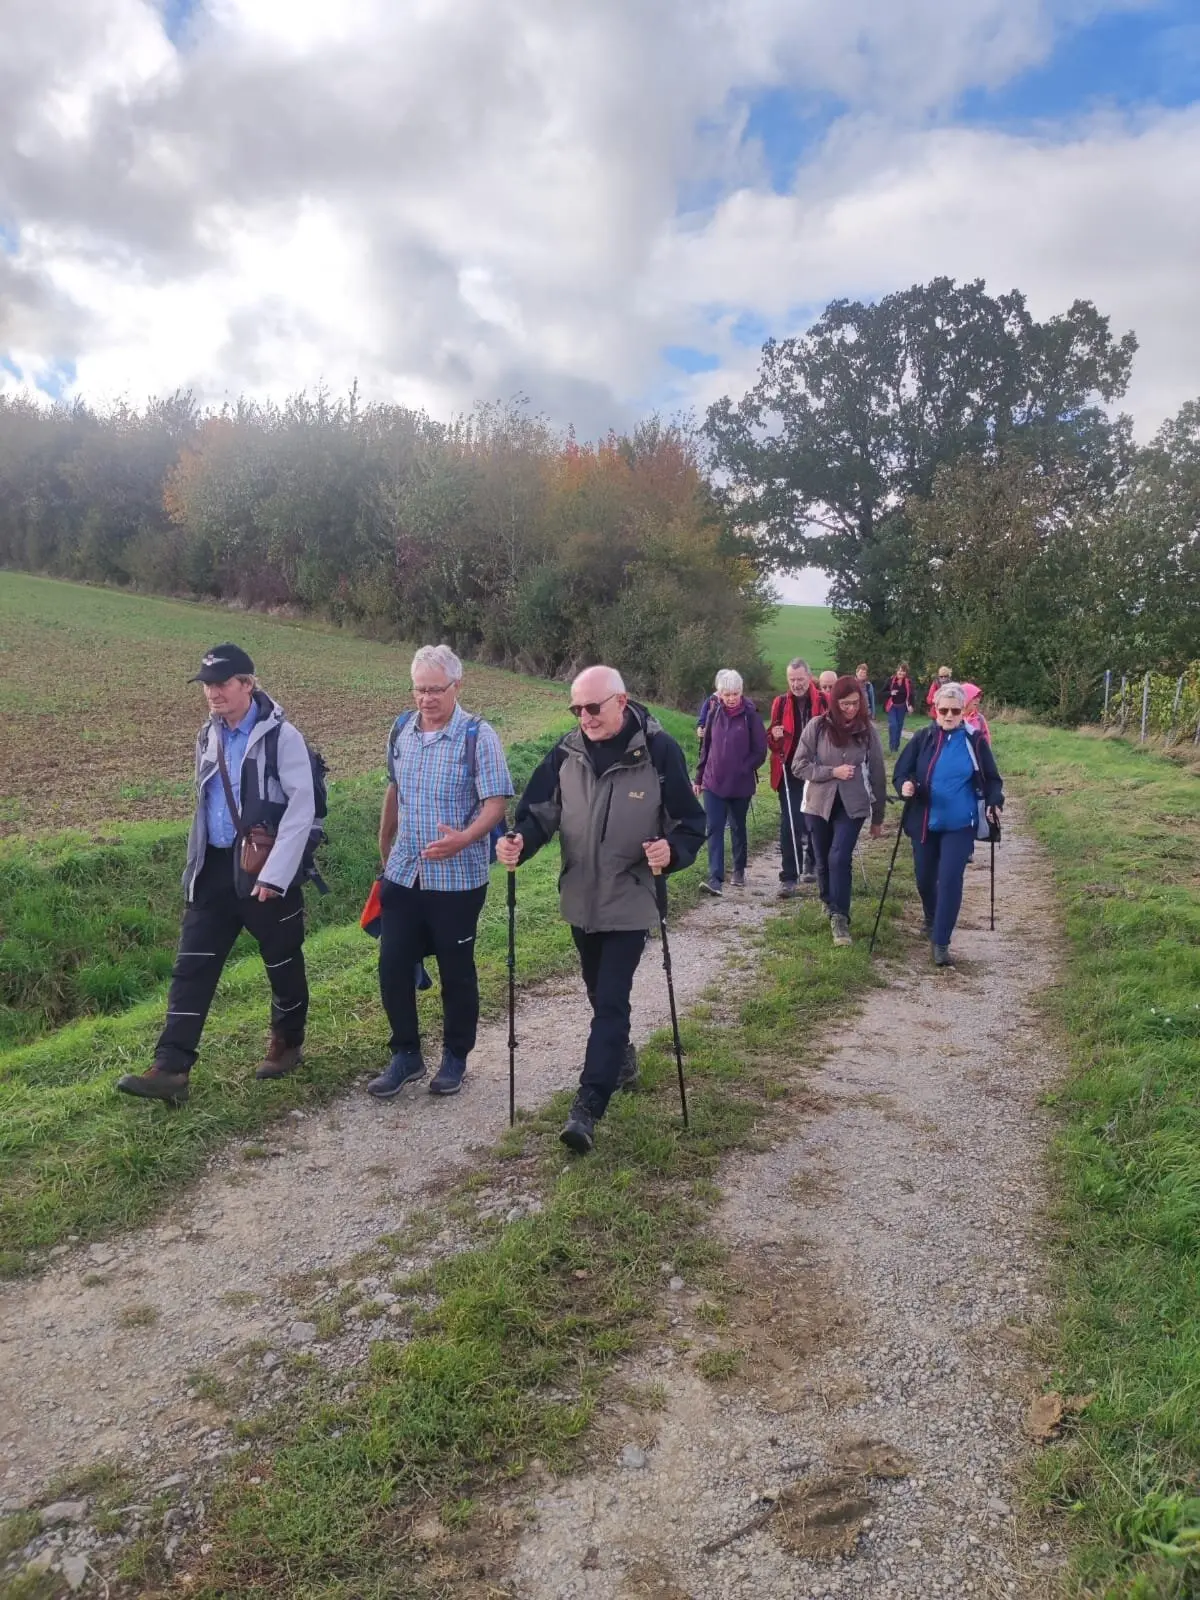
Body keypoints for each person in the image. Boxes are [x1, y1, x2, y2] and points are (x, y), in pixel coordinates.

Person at [496, 666, 705, 1155]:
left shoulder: (658, 752)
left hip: (631, 897)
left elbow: (690, 823)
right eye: (577, 708)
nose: (584, 717)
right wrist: (518, 842)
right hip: (581, 898)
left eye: (593, 707)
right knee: (598, 992)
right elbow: (539, 815)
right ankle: (622, 1058)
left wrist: (672, 851)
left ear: (621, 701)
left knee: (611, 1000)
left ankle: (587, 1107)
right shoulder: (565, 752)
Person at [116, 644, 317, 1105]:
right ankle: (171, 1069)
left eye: (222, 683)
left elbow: (301, 809)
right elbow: (205, 807)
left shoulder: (282, 738)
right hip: (214, 869)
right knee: (192, 966)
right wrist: (196, 867)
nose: (213, 693)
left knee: (282, 962)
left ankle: (287, 1044)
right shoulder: (207, 734)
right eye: (207, 685)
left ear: (248, 683)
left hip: (266, 869)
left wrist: (276, 876)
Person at [367, 645, 513, 1100]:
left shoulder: (477, 735)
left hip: (458, 879)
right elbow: (395, 789)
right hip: (404, 872)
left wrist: (464, 839)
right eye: (419, 689)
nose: (426, 699)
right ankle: (406, 1055)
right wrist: (385, 842)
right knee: (393, 964)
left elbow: (495, 802)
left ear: (456, 687)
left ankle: (455, 1057)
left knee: (456, 970)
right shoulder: (401, 730)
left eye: (435, 689)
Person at [893, 681, 1004, 967]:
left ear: (964, 710)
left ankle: (941, 941)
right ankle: (931, 916)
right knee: (924, 878)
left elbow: (993, 779)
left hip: (960, 823)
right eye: (944, 710)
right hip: (925, 821)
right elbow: (901, 772)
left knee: (951, 878)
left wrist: (994, 801)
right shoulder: (923, 738)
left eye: (955, 710)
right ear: (935, 710)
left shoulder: (974, 740)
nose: (949, 715)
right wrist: (905, 785)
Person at [793, 674, 886, 947]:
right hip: (818, 804)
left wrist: (878, 817)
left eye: (855, 703)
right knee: (822, 858)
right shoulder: (817, 727)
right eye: (845, 704)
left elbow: (878, 773)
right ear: (834, 702)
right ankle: (827, 900)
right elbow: (799, 766)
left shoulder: (868, 732)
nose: (850, 709)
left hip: (853, 805)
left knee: (839, 857)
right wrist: (831, 772)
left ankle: (840, 916)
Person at [694, 669, 767, 895]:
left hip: (740, 784)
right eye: (727, 694)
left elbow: (760, 751)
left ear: (741, 692)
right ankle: (715, 878)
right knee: (714, 827)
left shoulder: (751, 716)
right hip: (713, 781)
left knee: (737, 826)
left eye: (735, 693)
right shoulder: (714, 713)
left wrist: (743, 768)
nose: (731, 698)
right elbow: (706, 747)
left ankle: (738, 869)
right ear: (720, 694)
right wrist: (699, 777)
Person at [767, 658, 825, 897]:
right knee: (790, 822)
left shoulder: (824, 701)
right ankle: (789, 877)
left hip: (817, 770)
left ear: (809, 678)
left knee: (816, 821)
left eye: (800, 679)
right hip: (789, 770)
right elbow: (771, 741)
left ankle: (813, 863)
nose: (796, 684)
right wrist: (775, 736)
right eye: (792, 679)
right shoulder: (780, 703)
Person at [884, 662, 915, 753]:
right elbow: (880, 693)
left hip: (902, 707)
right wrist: (890, 693)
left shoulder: (908, 682)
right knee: (893, 725)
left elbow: (912, 695)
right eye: (899, 671)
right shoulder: (890, 680)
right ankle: (892, 747)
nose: (901, 673)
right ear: (896, 671)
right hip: (892, 707)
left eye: (903, 671)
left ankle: (896, 747)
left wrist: (911, 705)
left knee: (899, 726)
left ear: (906, 673)